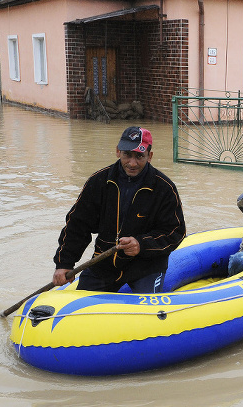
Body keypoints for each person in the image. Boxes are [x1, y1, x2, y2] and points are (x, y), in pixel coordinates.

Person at [53, 126, 186, 293]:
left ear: (150, 156)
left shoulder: (165, 188)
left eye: (139, 156)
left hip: (146, 266)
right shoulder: (98, 181)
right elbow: (78, 225)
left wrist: (141, 244)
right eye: (127, 154)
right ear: (118, 151)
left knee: (144, 314)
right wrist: (64, 263)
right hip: (104, 262)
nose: (132, 163)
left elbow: (175, 232)